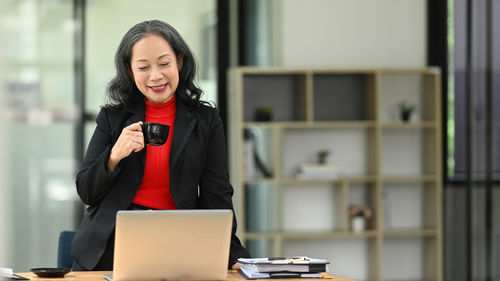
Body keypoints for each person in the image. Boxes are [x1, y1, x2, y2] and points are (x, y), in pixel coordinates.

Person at [71, 19, 250, 271]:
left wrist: (231, 252)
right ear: (130, 70)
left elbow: (217, 193)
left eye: (164, 63)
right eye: (143, 67)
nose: (156, 76)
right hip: (110, 246)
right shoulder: (112, 118)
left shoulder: (205, 120)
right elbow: (86, 191)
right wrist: (114, 155)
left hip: (179, 243)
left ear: (179, 61)